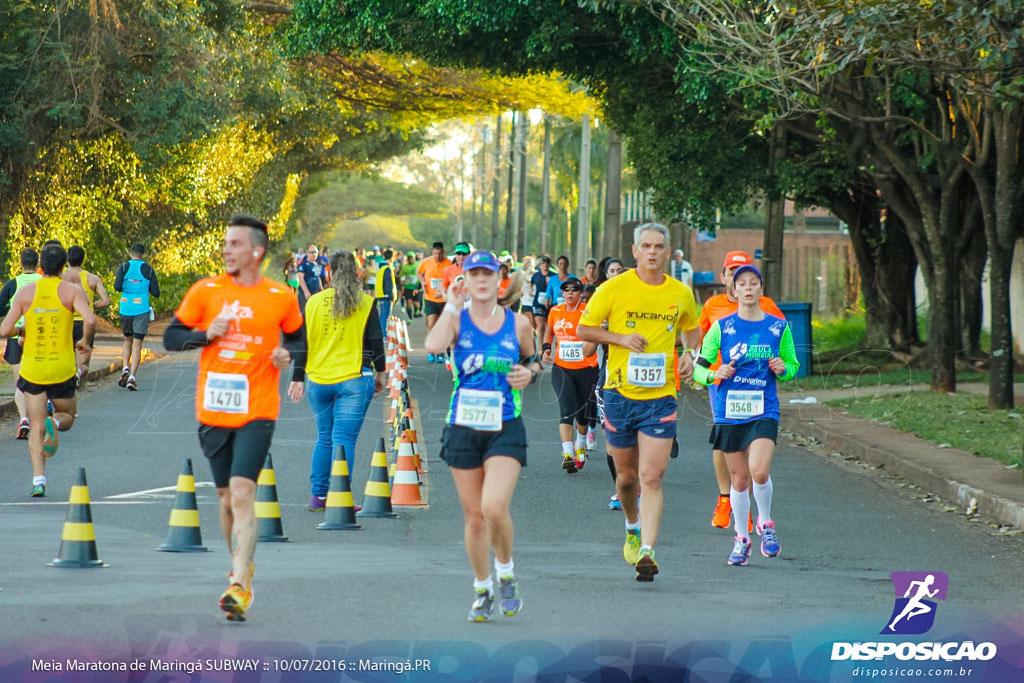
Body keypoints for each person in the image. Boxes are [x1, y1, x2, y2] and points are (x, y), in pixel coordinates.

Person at [162, 213, 305, 622]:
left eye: (235, 244)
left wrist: (288, 357)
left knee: (243, 492)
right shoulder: (206, 291)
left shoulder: (280, 296)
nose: (226, 250)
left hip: (258, 408)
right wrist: (207, 334)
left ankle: (240, 583)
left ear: (256, 252)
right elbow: (172, 338)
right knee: (225, 500)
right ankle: (240, 564)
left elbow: (297, 339)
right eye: (225, 243)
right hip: (214, 408)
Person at [577, 223, 699, 582]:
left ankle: (648, 550)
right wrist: (620, 338)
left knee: (652, 477)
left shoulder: (681, 292)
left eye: (658, 247)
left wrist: (690, 354)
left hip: (660, 397)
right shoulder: (612, 288)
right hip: (619, 394)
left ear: (667, 251)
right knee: (628, 478)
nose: (652, 252)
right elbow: (585, 330)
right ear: (635, 251)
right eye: (645, 246)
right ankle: (632, 526)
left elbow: (691, 328)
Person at [425, 249, 540, 622]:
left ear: (498, 278)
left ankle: (506, 573)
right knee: (474, 518)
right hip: (463, 425)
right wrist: (450, 307)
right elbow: (432, 345)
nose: (481, 280)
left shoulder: (518, 323)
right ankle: (482, 587)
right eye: (473, 274)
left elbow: (533, 359)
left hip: (505, 424)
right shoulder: (457, 320)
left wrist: (530, 373)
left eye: (487, 274)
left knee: (494, 507)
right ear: (466, 279)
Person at [692, 264, 797, 565]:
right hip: (730, 410)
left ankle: (766, 523)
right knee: (738, 480)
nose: (748, 288)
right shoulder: (721, 327)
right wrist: (714, 374)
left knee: (759, 471)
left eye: (754, 283)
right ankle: (741, 538)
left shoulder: (778, 327)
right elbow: (699, 370)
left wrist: (783, 369)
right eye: (742, 283)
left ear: (761, 290)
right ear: (734, 291)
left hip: (764, 408)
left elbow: (792, 366)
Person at [288, 249, 387, 511]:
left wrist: (298, 377)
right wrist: (382, 372)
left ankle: (318, 496)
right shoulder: (366, 303)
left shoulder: (313, 302)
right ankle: (340, 497)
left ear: (328, 271)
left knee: (324, 438)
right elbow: (375, 341)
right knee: (344, 439)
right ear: (356, 272)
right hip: (354, 380)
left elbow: (302, 343)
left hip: (318, 381)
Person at [1, 244, 94, 497]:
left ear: (40, 264)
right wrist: (84, 342)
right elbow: (91, 319)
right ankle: (55, 422)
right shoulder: (72, 290)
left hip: (33, 369)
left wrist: (21, 331)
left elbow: (4, 330)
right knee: (68, 416)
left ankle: (38, 480)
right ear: (64, 266)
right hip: (62, 368)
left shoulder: (25, 293)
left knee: (36, 425)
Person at [543, 277, 600, 474]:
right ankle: (568, 453)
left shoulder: (588, 311)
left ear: (580, 292)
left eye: (574, 290)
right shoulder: (555, 311)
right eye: (565, 290)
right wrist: (546, 348)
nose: (569, 293)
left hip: (587, 369)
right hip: (562, 368)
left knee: (583, 415)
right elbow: (549, 331)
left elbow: (597, 333)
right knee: (566, 409)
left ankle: (581, 445)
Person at [0, 248, 41, 438]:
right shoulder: (45, 283)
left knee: (20, 383)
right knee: (40, 381)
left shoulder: (13, 284)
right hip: (41, 336)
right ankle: (39, 419)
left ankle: (24, 419)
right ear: (38, 263)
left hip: (17, 337)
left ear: (21, 263)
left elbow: (0, 308)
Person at [113, 243, 160, 391]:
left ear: (130, 253)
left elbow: (117, 287)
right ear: (143, 255)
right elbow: (156, 292)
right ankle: (132, 377)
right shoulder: (149, 269)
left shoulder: (123, 267)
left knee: (127, 340)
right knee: (137, 344)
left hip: (125, 308)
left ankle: (125, 367)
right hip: (141, 309)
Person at [63, 245, 110, 386]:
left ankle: (66, 383)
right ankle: (81, 385)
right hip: (85, 322)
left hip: (67, 320)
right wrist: (89, 306)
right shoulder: (92, 278)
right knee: (84, 357)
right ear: (83, 259)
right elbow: (105, 301)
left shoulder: (63, 276)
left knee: (66, 355)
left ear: (67, 259)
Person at [417, 241, 453, 362]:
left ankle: (442, 351)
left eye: (440, 253)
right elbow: (418, 271)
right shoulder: (426, 262)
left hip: (444, 299)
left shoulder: (448, 264)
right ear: (432, 252)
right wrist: (422, 282)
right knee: (431, 324)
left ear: (443, 252)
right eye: (435, 253)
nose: (437, 256)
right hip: (430, 298)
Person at [530, 256, 553, 346]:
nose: (545, 265)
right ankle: (540, 349)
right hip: (538, 303)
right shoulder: (536, 275)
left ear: (550, 264)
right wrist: (530, 290)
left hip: (549, 303)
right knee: (540, 326)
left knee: (548, 327)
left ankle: (547, 345)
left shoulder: (553, 276)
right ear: (540, 264)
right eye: (543, 263)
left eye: (547, 263)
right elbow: (531, 283)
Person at [374, 248, 398, 334]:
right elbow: (389, 283)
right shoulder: (388, 268)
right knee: (386, 316)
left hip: (381, 294)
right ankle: (383, 333)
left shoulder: (381, 268)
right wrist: (391, 295)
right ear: (392, 257)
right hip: (386, 295)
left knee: (382, 315)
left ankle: (381, 333)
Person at [297, 244, 324, 312]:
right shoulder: (304, 264)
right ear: (307, 253)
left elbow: (318, 277)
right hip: (306, 293)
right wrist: (306, 292)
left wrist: (322, 289)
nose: (313, 254)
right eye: (311, 252)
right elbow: (301, 278)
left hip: (315, 292)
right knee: (305, 311)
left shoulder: (317, 264)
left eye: (315, 252)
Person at [399, 251, 422, 318]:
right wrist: (401, 283)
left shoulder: (419, 264)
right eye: (409, 258)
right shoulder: (404, 267)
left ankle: (416, 311)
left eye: (412, 258)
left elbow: (423, 273)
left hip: (416, 287)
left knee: (416, 304)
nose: (410, 259)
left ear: (414, 258)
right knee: (408, 303)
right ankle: (410, 318)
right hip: (407, 287)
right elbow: (401, 276)